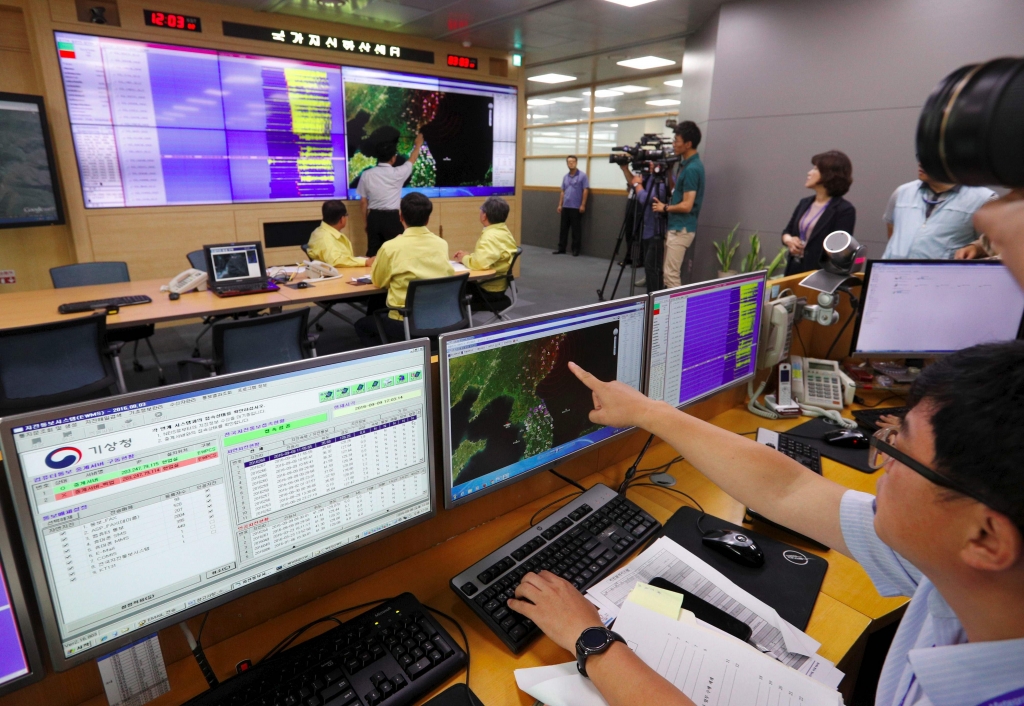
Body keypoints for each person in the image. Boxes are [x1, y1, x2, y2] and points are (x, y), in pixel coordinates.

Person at [508, 347, 1024, 706]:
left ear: (987, 538)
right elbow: (789, 491)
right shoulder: (958, 563)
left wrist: (591, 639)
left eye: (899, 450)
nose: (881, 463)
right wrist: (648, 412)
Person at [354, 193, 453, 346]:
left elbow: (378, 282)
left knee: (362, 326)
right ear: (428, 219)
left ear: (400, 217)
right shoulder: (441, 244)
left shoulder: (390, 247)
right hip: (440, 318)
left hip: (405, 322)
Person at [882, 164, 995, 260]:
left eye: (929, 158)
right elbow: (892, 232)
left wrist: (976, 248)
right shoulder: (902, 192)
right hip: (890, 276)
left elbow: (993, 245)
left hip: (942, 281)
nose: (921, 163)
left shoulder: (982, 199)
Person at [780, 151, 856, 275]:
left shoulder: (844, 210)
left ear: (829, 174)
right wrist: (790, 240)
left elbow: (839, 250)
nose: (809, 173)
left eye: (815, 169)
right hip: (794, 268)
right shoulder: (804, 203)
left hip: (819, 274)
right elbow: (786, 232)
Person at [357, 127, 425, 257]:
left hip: (374, 219)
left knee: (374, 254)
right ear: (393, 158)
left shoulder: (367, 175)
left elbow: (363, 202)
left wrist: (367, 223)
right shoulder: (398, 173)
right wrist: (418, 145)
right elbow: (412, 159)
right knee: (396, 253)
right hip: (392, 219)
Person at [653, 121, 704, 288]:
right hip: (677, 226)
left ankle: (678, 313)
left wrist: (665, 208)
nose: (674, 144)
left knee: (671, 275)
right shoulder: (686, 165)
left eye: (677, 141)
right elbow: (678, 193)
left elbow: (687, 205)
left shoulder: (692, 169)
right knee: (668, 274)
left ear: (688, 144)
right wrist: (669, 171)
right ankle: (672, 312)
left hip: (681, 228)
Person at [453, 197, 518, 313]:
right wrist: (468, 256)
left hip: (488, 290)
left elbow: (479, 264)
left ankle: (461, 328)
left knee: (452, 290)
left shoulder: (490, 237)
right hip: (499, 286)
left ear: (484, 215)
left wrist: (464, 258)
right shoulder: (504, 232)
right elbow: (489, 257)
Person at [619, 162, 668, 292]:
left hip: (657, 230)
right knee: (649, 267)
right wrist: (625, 169)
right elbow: (633, 183)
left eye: (653, 162)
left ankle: (654, 302)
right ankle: (650, 298)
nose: (650, 165)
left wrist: (637, 185)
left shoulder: (663, 179)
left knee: (653, 267)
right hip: (647, 228)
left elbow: (650, 198)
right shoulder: (649, 176)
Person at [306, 200, 373, 268]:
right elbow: (336, 261)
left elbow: (343, 257)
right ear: (342, 219)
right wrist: (365, 262)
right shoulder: (324, 238)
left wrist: (360, 259)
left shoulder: (327, 232)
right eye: (346, 215)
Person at [555, 156, 589, 256]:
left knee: (576, 230)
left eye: (573, 161)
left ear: (576, 162)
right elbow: (562, 191)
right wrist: (560, 204)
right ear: (567, 163)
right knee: (563, 229)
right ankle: (561, 248)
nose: (571, 163)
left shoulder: (582, 176)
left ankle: (575, 250)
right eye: (569, 162)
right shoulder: (565, 177)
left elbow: (585, 190)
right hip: (566, 206)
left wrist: (583, 205)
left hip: (576, 207)